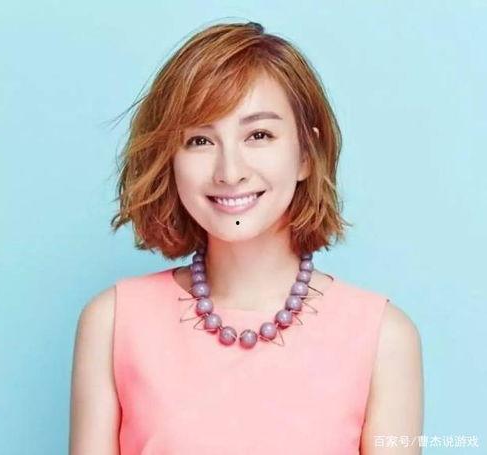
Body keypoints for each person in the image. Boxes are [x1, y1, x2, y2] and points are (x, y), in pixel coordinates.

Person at [69, 21, 423, 454]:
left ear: (306, 154)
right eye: (200, 140)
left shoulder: (384, 338)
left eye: (259, 135)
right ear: (170, 159)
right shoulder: (113, 323)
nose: (230, 171)